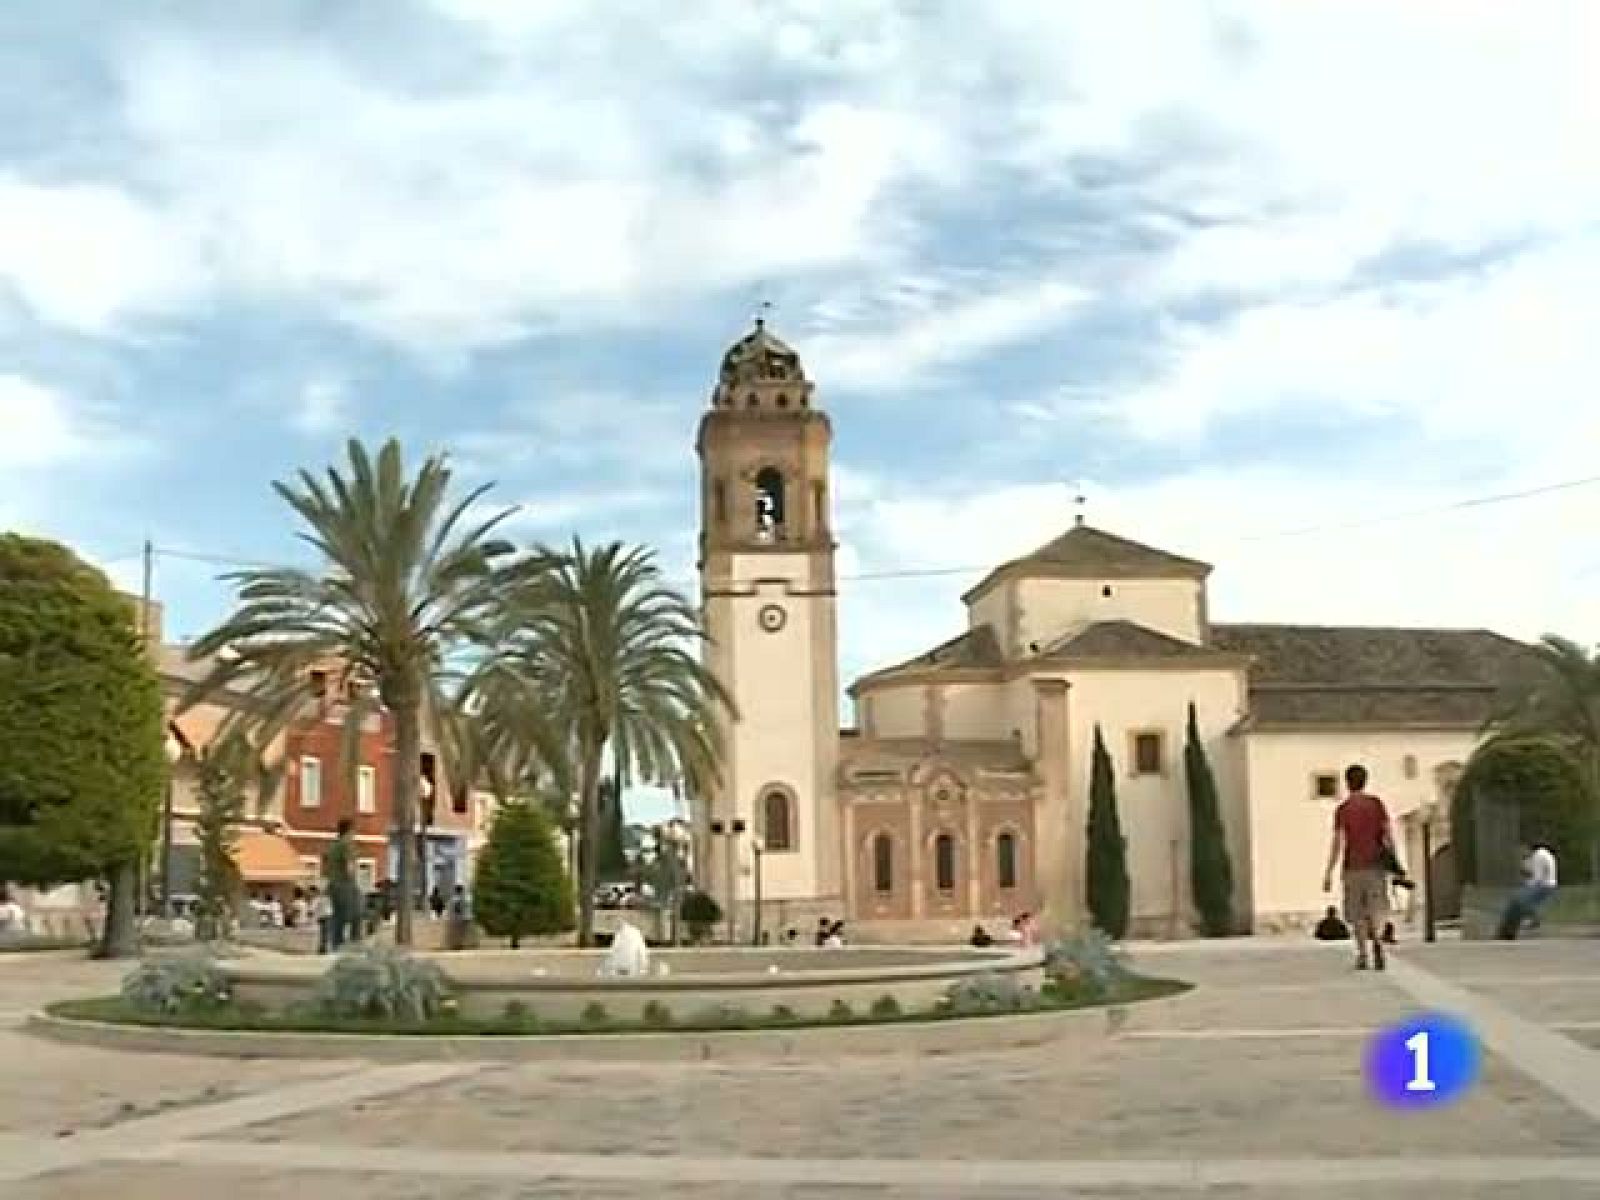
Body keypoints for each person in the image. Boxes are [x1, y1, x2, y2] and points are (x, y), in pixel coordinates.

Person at [1322, 763, 1394, 971]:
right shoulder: (1376, 804)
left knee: (1357, 913)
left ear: (1347, 783)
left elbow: (1339, 840)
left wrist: (1329, 871)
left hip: (1353, 867)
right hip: (1376, 866)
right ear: (1365, 780)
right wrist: (1393, 860)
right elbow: (1387, 834)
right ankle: (1379, 940)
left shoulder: (1343, 810)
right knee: (1377, 908)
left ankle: (1363, 953)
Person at [1497, 841, 1559, 939]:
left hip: (1544, 886)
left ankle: (1532, 919)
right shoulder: (1541, 853)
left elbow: (1537, 878)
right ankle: (1510, 931)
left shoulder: (1539, 855)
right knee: (1517, 902)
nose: (1522, 854)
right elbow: (1531, 872)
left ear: (1528, 848)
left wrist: (1526, 887)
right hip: (1547, 885)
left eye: (1523, 851)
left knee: (1518, 901)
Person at [322, 818, 361, 951]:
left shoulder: (332, 845)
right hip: (345, 884)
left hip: (333, 885)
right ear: (349, 831)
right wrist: (353, 881)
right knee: (357, 914)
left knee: (338, 917)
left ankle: (336, 944)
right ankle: (355, 944)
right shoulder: (347, 844)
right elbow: (349, 865)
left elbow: (325, 867)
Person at [310, 885, 333, 954]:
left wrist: (310, 915)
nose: (310, 894)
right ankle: (324, 948)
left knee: (322, 933)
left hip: (323, 917)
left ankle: (322, 948)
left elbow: (312, 909)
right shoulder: (327, 898)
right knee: (325, 933)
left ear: (314, 891)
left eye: (310, 892)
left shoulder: (317, 899)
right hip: (328, 916)